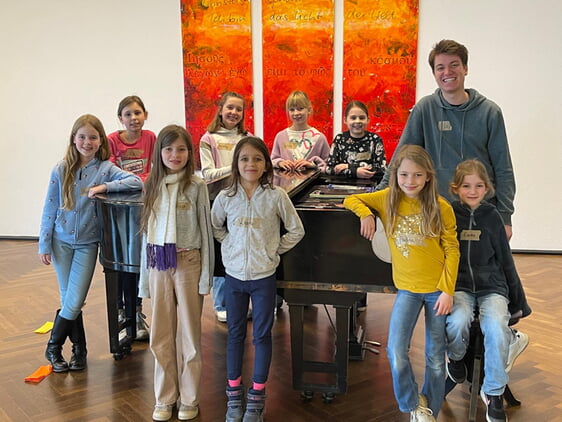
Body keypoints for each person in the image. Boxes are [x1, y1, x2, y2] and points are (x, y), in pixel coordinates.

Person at [343, 145, 459, 421]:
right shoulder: (387, 199)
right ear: (395, 175)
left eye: (417, 175)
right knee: (395, 348)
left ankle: (429, 407)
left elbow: (452, 250)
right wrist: (366, 213)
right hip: (407, 290)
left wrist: (447, 290)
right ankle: (411, 404)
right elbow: (351, 200)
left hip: (436, 292)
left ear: (428, 177)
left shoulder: (441, 207)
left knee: (434, 355)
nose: (410, 181)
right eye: (404, 175)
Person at [377, 39, 516, 241]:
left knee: (478, 271)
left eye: (454, 65)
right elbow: (401, 157)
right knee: (441, 270)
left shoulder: (490, 112)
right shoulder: (425, 109)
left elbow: (503, 167)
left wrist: (505, 216)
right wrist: (378, 197)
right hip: (436, 210)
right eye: (440, 67)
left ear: (465, 68)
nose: (447, 72)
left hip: (481, 211)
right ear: (434, 73)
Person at [39, 114, 143, 373]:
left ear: (100, 141)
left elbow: (136, 181)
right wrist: (44, 243)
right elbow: (49, 207)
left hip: (87, 243)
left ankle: (53, 347)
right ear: (74, 139)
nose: (87, 142)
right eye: (82, 136)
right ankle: (79, 352)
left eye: (93, 137)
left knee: (74, 300)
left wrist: (103, 187)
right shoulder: (61, 168)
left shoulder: (105, 168)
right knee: (69, 299)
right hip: (60, 242)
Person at [211, 137, 304, 422]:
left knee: (262, 336)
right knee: (235, 336)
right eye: (244, 159)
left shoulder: (277, 196)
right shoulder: (225, 198)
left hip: (264, 277)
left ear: (266, 164)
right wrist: (229, 245)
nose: (250, 164)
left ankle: (256, 399)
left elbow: (296, 230)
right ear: (236, 164)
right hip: (234, 278)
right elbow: (215, 226)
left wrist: (272, 250)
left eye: (257, 159)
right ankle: (234, 397)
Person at [445, 159, 531, 422]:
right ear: (456, 188)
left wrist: (518, 301)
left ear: (487, 188)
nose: (472, 191)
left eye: (479, 185)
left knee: (496, 327)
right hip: (459, 286)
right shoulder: (449, 214)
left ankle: (493, 392)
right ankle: (456, 360)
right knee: (457, 321)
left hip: (492, 287)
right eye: (466, 186)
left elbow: (506, 259)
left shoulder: (492, 216)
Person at [138, 125, 213, 422]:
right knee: (160, 335)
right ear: (160, 153)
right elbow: (145, 236)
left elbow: (206, 234)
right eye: (168, 149)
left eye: (181, 149)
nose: (175, 155)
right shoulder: (151, 185)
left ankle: (190, 398)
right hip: (158, 264)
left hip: (189, 262)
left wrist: (206, 275)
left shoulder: (196, 186)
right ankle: (165, 397)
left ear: (189, 153)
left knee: (190, 337)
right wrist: (144, 281)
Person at [108, 95, 157, 341]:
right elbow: (111, 172)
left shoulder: (150, 138)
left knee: (137, 260)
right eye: (128, 114)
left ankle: (136, 312)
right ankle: (119, 310)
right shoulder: (112, 141)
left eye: (137, 113)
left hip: (141, 206)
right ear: (120, 118)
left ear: (145, 115)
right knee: (119, 261)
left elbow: (155, 168)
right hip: (117, 208)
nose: (133, 118)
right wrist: (136, 180)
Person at [200, 91, 249, 323]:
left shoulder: (247, 138)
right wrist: (237, 167)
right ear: (220, 109)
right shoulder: (208, 138)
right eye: (230, 107)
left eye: (239, 109)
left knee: (241, 250)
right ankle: (221, 304)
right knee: (222, 253)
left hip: (242, 202)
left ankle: (240, 303)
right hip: (216, 201)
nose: (234, 113)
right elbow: (208, 175)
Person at [271, 90, 330, 172]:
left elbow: (328, 166)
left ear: (309, 110)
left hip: (312, 184)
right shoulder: (280, 137)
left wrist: (312, 165)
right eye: (292, 109)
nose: (296, 113)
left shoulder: (319, 138)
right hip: (286, 184)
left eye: (300, 109)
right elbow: (272, 160)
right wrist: (280, 163)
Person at [325, 100, 386, 179]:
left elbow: (382, 169)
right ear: (345, 120)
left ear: (368, 119)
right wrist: (354, 172)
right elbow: (329, 169)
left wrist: (349, 167)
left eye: (362, 118)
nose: (357, 121)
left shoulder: (375, 140)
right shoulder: (339, 139)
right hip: (342, 186)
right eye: (353, 118)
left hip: (369, 187)